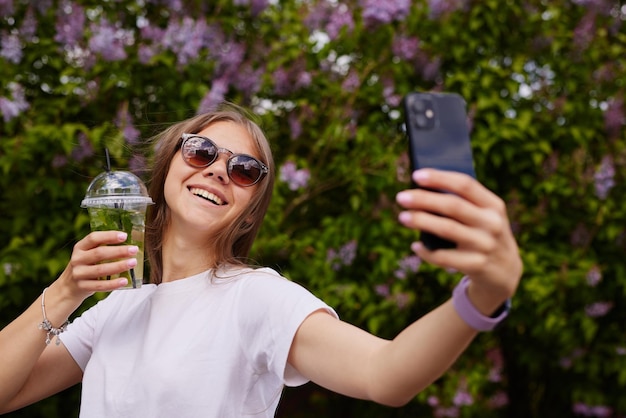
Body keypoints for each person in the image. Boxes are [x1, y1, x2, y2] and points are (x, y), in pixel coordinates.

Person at [0, 103, 522, 417]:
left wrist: (483, 295)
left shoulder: (256, 297)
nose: (219, 171)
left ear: (249, 213)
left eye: (245, 169)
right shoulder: (115, 309)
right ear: (165, 173)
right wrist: (66, 292)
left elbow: (386, 375)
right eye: (201, 151)